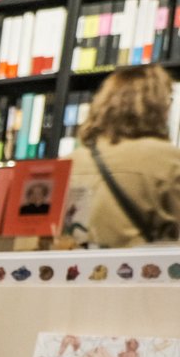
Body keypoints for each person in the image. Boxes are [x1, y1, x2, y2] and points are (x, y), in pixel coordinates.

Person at [67, 65, 180, 247]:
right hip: (144, 264)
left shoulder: (69, 162)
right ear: (157, 106)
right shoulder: (168, 159)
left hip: (77, 263)